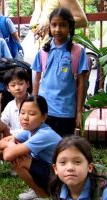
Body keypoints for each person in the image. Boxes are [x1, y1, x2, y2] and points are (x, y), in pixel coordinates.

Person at [32, 7, 88, 137]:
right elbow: (37, 79)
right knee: (45, 147)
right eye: (54, 25)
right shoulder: (43, 52)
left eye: (63, 25)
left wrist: (79, 112)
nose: (58, 29)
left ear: (70, 27)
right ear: (49, 27)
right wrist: (34, 105)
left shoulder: (78, 52)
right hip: (44, 110)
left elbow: (81, 84)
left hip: (66, 112)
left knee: (64, 146)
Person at [2, 95, 62, 200]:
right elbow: (4, 141)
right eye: (22, 113)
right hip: (52, 172)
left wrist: (11, 145)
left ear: (43, 117)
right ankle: (38, 190)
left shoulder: (44, 134)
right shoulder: (32, 130)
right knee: (20, 155)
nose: (25, 118)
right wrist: (11, 144)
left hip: (61, 180)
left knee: (19, 160)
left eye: (32, 114)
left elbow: (7, 155)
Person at [47, 135, 107, 200]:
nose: (70, 168)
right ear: (55, 169)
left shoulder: (104, 193)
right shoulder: (58, 187)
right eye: (63, 162)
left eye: (77, 162)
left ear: (89, 167)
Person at [22, 0, 87, 63]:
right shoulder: (38, 1)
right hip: (45, 54)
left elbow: (82, 20)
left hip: (62, 55)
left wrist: (51, 24)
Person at [0, 67, 30, 158]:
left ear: (28, 84)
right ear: (8, 88)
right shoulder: (10, 105)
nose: (17, 88)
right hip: (12, 141)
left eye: (21, 84)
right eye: (13, 85)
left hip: (29, 141)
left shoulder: (34, 103)